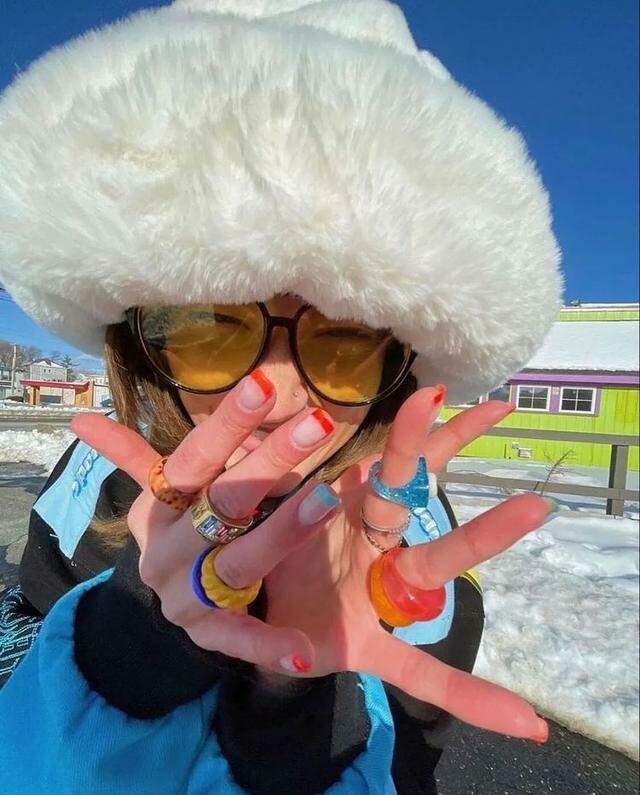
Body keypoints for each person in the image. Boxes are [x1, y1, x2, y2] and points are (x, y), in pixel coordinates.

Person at [0, 1, 562, 792]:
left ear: (396, 367)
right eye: (210, 324)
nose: (277, 392)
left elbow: (412, 758)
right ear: (140, 345)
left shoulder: (414, 548)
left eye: (344, 337)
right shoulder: (91, 485)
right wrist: (134, 642)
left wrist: (294, 697)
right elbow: (17, 644)